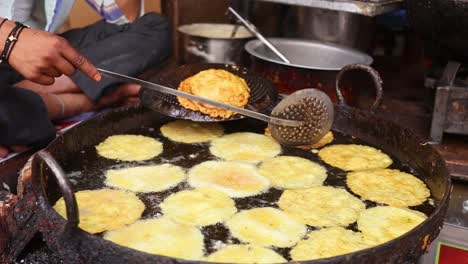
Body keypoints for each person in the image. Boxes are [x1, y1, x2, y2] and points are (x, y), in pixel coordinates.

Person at [0, 0, 172, 158]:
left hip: (34, 54)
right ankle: (99, 99)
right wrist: (8, 38)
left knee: (154, 27)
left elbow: (124, 17)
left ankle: (25, 96)